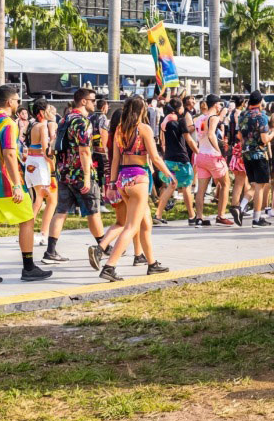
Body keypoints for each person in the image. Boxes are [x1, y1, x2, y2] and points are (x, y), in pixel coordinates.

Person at [0, 86, 51, 287]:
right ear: (9, 102)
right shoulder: (8, 124)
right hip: (5, 183)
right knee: (27, 219)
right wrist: (17, 185)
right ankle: (28, 268)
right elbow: (9, 154)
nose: (19, 103)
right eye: (17, 100)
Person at [95, 96, 175, 281]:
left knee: (145, 223)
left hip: (123, 180)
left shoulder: (120, 130)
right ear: (142, 110)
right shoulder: (144, 129)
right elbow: (154, 158)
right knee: (131, 226)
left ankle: (151, 263)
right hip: (139, 179)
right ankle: (109, 266)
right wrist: (169, 175)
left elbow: (115, 159)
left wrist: (113, 184)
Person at [45, 88, 103, 264]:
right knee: (93, 211)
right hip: (80, 173)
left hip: (64, 173)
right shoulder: (82, 122)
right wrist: (87, 176)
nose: (95, 103)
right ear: (83, 101)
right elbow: (85, 151)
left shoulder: (64, 119)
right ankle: (104, 246)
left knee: (61, 211)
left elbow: (52, 147)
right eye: (93, 100)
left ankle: (50, 251)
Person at [191, 96, 230, 226]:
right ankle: (221, 215)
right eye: (219, 104)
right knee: (225, 184)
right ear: (215, 105)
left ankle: (199, 217)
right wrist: (219, 151)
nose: (220, 107)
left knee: (201, 189)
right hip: (212, 156)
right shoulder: (213, 118)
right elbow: (211, 134)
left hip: (201, 155)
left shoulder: (199, 119)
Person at [156, 97, 195, 224]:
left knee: (171, 186)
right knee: (186, 187)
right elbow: (188, 139)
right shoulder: (181, 120)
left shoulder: (164, 121)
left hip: (169, 159)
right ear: (179, 108)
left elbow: (162, 140)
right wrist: (198, 152)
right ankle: (192, 216)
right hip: (182, 158)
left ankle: (158, 215)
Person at [238, 92, 274, 227]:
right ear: (260, 102)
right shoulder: (262, 117)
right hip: (259, 154)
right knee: (260, 186)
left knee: (253, 184)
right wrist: (273, 134)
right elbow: (264, 139)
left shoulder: (242, 116)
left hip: (246, 154)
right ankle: (257, 218)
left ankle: (240, 208)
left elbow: (239, 135)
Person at [23, 100, 57, 232]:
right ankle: (36, 231)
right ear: (42, 112)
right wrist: (53, 168)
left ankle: (36, 230)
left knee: (38, 198)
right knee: (41, 199)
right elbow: (45, 150)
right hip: (39, 163)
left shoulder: (32, 125)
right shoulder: (42, 127)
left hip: (31, 162)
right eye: (48, 109)